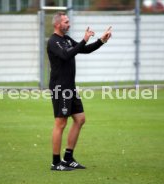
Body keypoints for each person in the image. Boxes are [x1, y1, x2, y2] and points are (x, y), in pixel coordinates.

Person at [47, 11, 112, 171]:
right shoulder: (53, 41)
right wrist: (83, 39)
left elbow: (84, 49)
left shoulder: (66, 39)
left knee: (80, 119)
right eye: (66, 22)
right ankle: (55, 163)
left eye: (68, 21)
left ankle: (68, 158)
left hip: (70, 87)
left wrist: (101, 41)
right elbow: (66, 55)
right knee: (60, 123)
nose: (69, 24)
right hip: (60, 88)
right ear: (57, 24)